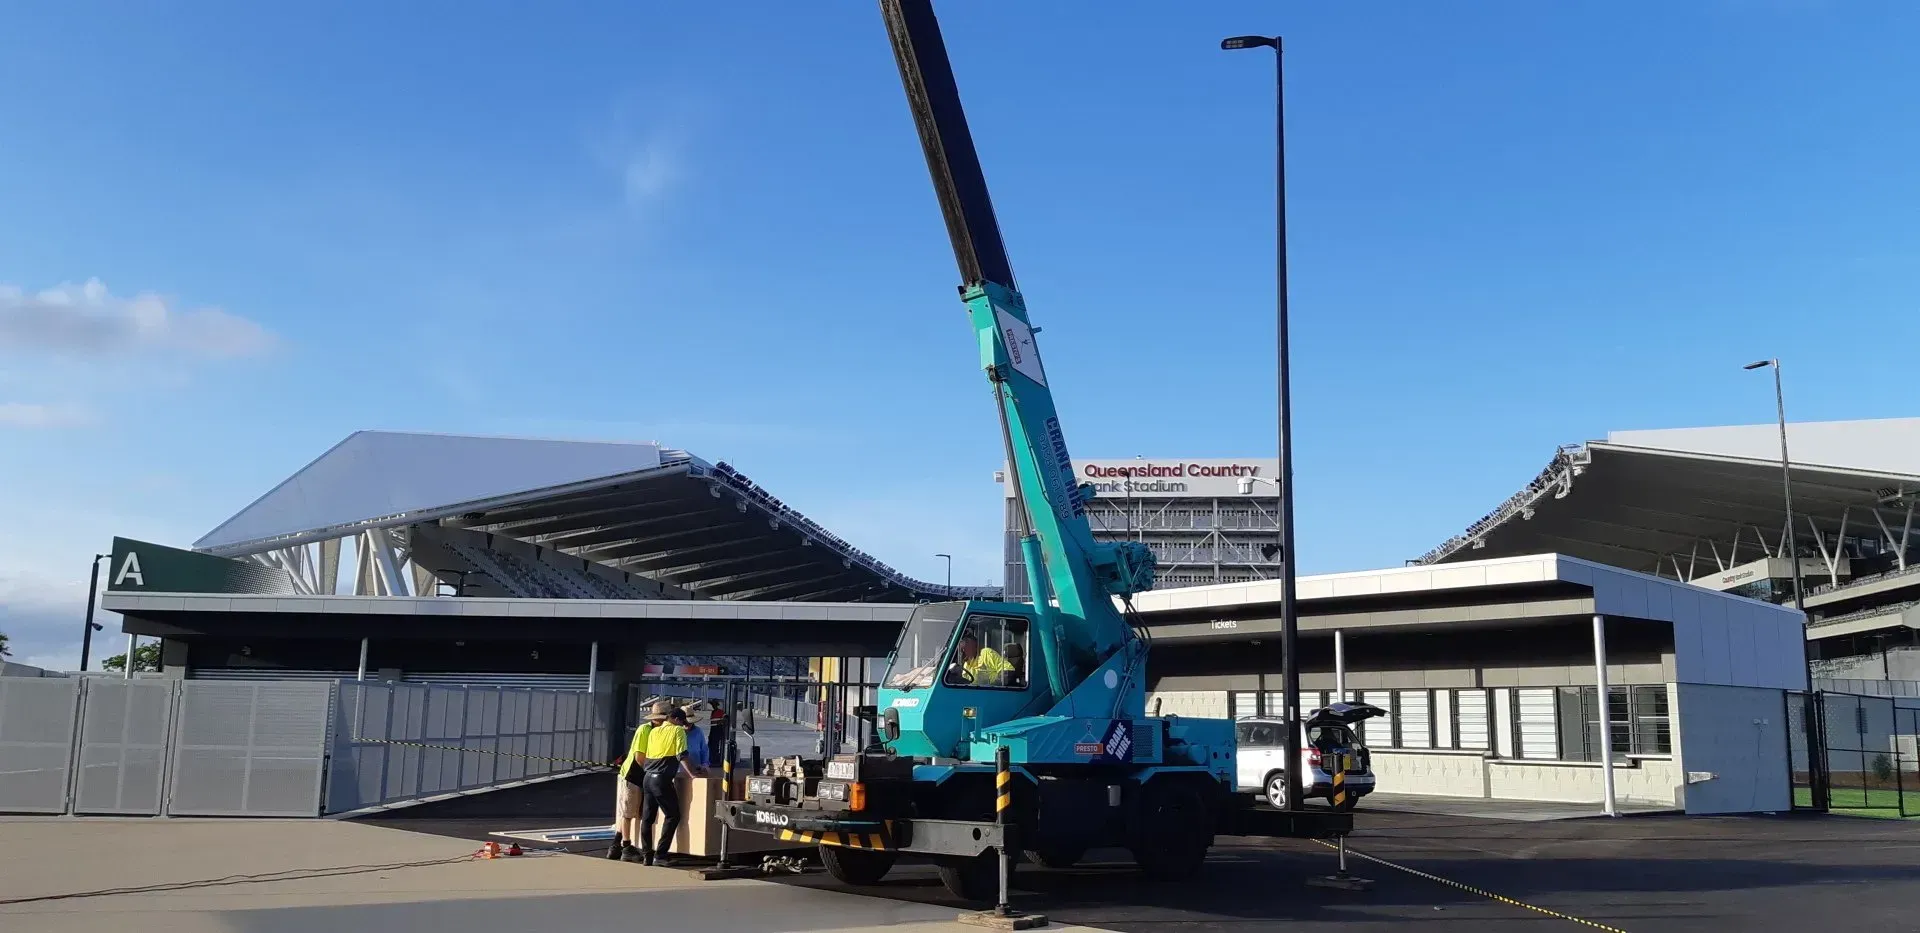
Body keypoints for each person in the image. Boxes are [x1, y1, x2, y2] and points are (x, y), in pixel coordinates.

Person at [634, 702, 699, 866]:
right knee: (673, 815)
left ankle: (647, 855)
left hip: (647, 777)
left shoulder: (654, 731)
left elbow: (649, 754)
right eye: (683, 722)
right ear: (676, 719)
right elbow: (682, 755)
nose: (685, 727)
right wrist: (692, 774)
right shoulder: (678, 731)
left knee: (648, 817)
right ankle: (661, 855)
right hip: (662, 779)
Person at [608, 700, 673, 862]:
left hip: (646, 775)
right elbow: (639, 758)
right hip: (633, 775)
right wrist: (654, 771)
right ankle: (626, 846)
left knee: (638, 813)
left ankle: (621, 845)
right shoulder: (645, 730)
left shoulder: (661, 731)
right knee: (628, 812)